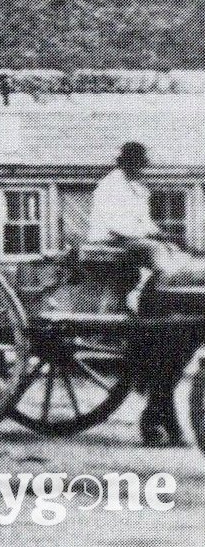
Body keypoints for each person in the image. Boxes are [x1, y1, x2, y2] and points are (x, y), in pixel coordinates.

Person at [86, 142, 193, 446]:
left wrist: (160, 234)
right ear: (126, 163)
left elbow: (145, 223)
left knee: (172, 250)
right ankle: (148, 292)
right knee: (158, 253)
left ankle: (162, 287)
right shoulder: (109, 186)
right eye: (136, 164)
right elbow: (117, 225)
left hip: (132, 240)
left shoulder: (138, 189)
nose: (140, 169)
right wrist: (151, 239)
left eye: (142, 165)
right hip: (110, 241)